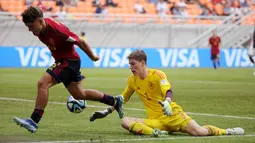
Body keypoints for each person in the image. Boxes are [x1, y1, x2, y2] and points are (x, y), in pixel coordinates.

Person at [13, 6, 124, 133]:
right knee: (79, 94)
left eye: (31, 26)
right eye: (27, 26)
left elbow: (81, 42)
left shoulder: (58, 31)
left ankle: (34, 121)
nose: (29, 30)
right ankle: (115, 101)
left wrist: (93, 57)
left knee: (43, 83)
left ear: (40, 21)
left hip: (69, 61)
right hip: (64, 60)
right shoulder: (39, 29)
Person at [89, 50, 245, 137]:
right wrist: (106, 111)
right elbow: (122, 100)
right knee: (125, 121)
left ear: (143, 63)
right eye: (129, 64)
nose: (130, 67)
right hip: (156, 121)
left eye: (133, 64)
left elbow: (168, 91)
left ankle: (226, 131)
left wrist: (167, 103)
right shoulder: (132, 81)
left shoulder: (158, 75)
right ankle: (157, 133)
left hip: (173, 114)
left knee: (199, 132)